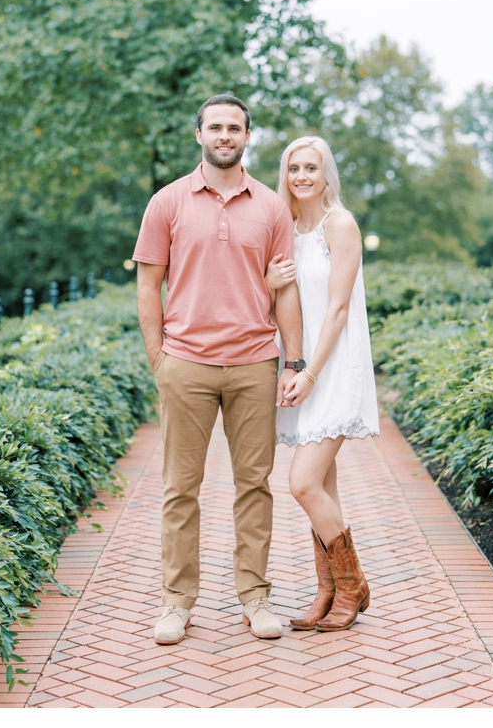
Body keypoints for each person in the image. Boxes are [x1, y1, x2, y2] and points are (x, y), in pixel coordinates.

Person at [132, 93, 305, 645]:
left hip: (255, 363)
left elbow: (286, 291)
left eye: (235, 127)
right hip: (186, 366)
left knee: (254, 486)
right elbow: (146, 284)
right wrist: (159, 358)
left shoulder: (272, 207)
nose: (224, 135)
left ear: (247, 136)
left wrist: (292, 362)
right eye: (215, 127)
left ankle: (255, 598)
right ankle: (176, 604)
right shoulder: (167, 202)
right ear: (199, 135)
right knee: (180, 489)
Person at [263, 135, 377, 631]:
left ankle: (354, 586)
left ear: (326, 174)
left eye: (311, 167)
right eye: (294, 168)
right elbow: (273, 300)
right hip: (300, 367)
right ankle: (328, 591)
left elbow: (338, 308)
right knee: (323, 487)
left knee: (303, 483)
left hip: (332, 370)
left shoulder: (341, 225)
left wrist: (311, 372)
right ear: (284, 174)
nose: (302, 176)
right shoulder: (284, 229)